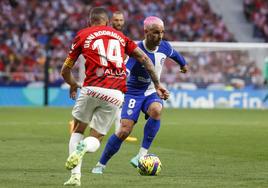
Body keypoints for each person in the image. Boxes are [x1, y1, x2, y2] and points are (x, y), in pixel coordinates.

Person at [62, 8, 169, 186]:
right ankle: (85, 148)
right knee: (95, 139)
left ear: (90, 22)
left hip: (90, 88)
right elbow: (145, 60)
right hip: (114, 93)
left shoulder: (83, 34)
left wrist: (73, 84)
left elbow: (65, 70)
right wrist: (157, 84)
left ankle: (75, 176)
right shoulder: (122, 38)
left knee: (78, 131)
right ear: (108, 22)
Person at [91, 16, 187, 174]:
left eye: (162, 32)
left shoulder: (164, 46)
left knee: (156, 109)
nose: (160, 36)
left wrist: (183, 65)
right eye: (156, 32)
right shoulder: (135, 51)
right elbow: (125, 71)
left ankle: (141, 155)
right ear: (146, 32)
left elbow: (175, 54)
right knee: (124, 131)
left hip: (151, 91)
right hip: (133, 93)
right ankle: (101, 165)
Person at [68, 11, 138, 142]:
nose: (119, 23)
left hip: (106, 81)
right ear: (109, 21)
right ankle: (81, 128)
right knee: (106, 106)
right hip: (101, 80)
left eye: (121, 20)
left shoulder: (120, 37)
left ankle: (117, 130)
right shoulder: (111, 37)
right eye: (116, 20)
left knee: (111, 104)